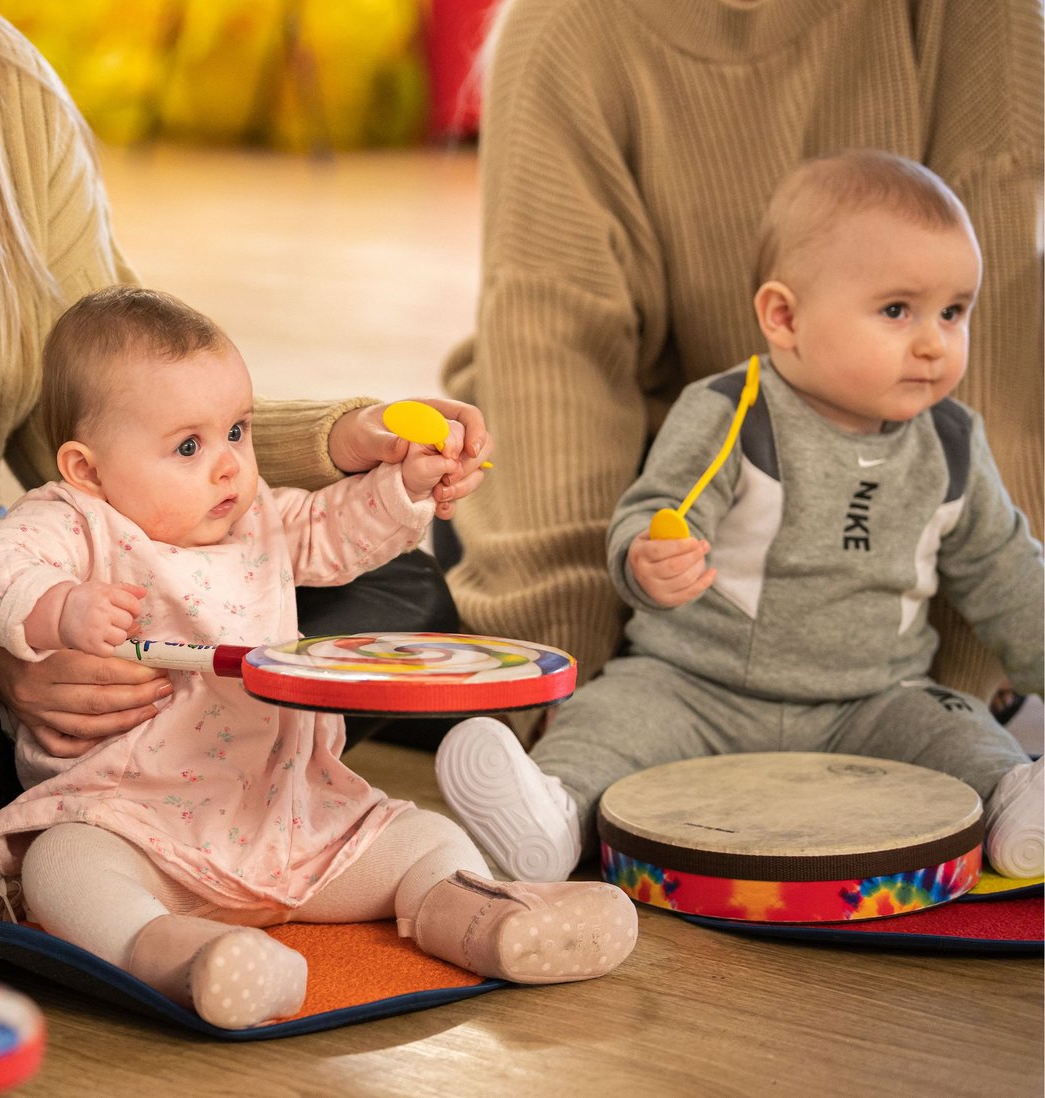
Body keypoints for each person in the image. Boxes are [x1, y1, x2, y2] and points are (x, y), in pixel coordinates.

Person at [0, 0, 490, 956]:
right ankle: (107, 809)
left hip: (28, 604)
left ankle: (85, 813)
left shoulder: (7, 83)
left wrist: (349, 443)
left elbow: (117, 401)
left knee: (402, 571)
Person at [0, 286, 636, 1028]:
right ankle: (179, 957)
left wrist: (405, 485)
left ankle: (481, 918)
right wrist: (56, 606)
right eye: (188, 447)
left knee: (425, 835)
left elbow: (337, 530)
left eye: (237, 431)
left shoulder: (257, 515)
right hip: (132, 821)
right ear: (87, 469)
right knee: (63, 868)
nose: (229, 467)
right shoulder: (73, 523)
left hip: (290, 818)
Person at [438, 0, 1043, 742]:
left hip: (898, 619)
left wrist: (954, 710)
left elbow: (998, 374)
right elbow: (555, 373)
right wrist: (567, 707)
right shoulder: (567, 31)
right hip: (674, 553)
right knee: (343, 589)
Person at [436, 150, 1045, 885]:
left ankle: (1017, 805)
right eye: (897, 311)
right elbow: (656, 513)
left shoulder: (951, 443)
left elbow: (1008, 575)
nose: (932, 342)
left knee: (962, 734)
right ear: (784, 317)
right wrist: (646, 561)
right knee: (609, 717)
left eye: (954, 312)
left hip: (874, 699)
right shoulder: (733, 411)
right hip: (695, 685)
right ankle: (550, 814)